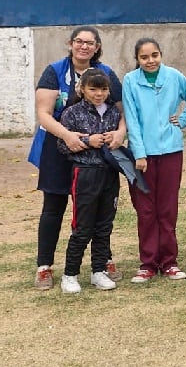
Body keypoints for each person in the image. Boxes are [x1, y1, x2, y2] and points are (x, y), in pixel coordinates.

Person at [29, 26, 125, 290]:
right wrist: (70, 136)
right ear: (70, 44)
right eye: (79, 42)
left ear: (97, 47)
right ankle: (45, 266)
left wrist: (120, 133)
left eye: (90, 43)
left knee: (98, 208)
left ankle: (103, 261)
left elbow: (121, 109)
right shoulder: (54, 71)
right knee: (53, 207)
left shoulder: (105, 74)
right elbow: (44, 113)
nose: (84, 46)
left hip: (97, 156)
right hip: (59, 147)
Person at [121, 38, 186, 283]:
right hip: (142, 156)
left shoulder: (174, 76)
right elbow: (131, 118)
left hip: (171, 151)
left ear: (161, 55)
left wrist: (182, 120)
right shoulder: (131, 81)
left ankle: (169, 262)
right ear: (137, 59)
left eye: (154, 55)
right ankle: (148, 263)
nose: (150, 61)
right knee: (145, 209)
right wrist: (139, 152)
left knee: (167, 208)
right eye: (144, 57)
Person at [54, 68, 123, 293]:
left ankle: (98, 271)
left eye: (103, 89)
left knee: (104, 226)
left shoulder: (114, 112)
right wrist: (87, 140)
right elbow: (63, 145)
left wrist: (115, 139)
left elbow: (121, 136)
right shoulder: (72, 113)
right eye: (93, 89)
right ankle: (70, 274)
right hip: (84, 173)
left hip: (109, 174)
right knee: (83, 226)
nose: (98, 94)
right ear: (82, 89)